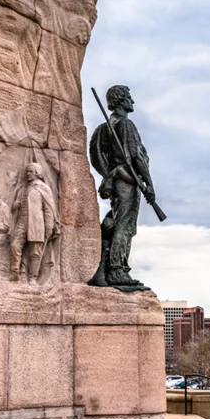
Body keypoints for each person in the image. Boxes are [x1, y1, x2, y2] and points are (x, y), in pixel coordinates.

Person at [87, 85, 156, 288]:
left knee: (116, 222)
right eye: (128, 98)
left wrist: (110, 174)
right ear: (120, 101)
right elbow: (137, 156)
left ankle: (109, 267)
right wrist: (149, 184)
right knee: (125, 225)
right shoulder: (125, 124)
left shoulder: (105, 127)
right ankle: (117, 270)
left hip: (118, 180)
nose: (132, 102)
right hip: (126, 181)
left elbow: (97, 156)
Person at [9, 163, 59, 284]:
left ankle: (33, 278)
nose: (28, 174)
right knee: (15, 246)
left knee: (35, 252)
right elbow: (15, 205)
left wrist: (49, 226)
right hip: (22, 221)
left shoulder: (43, 188)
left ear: (37, 173)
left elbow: (49, 209)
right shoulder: (22, 188)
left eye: (30, 171)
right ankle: (14, 273)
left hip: (37, 223)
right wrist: (15, 206)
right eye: (27, 171)